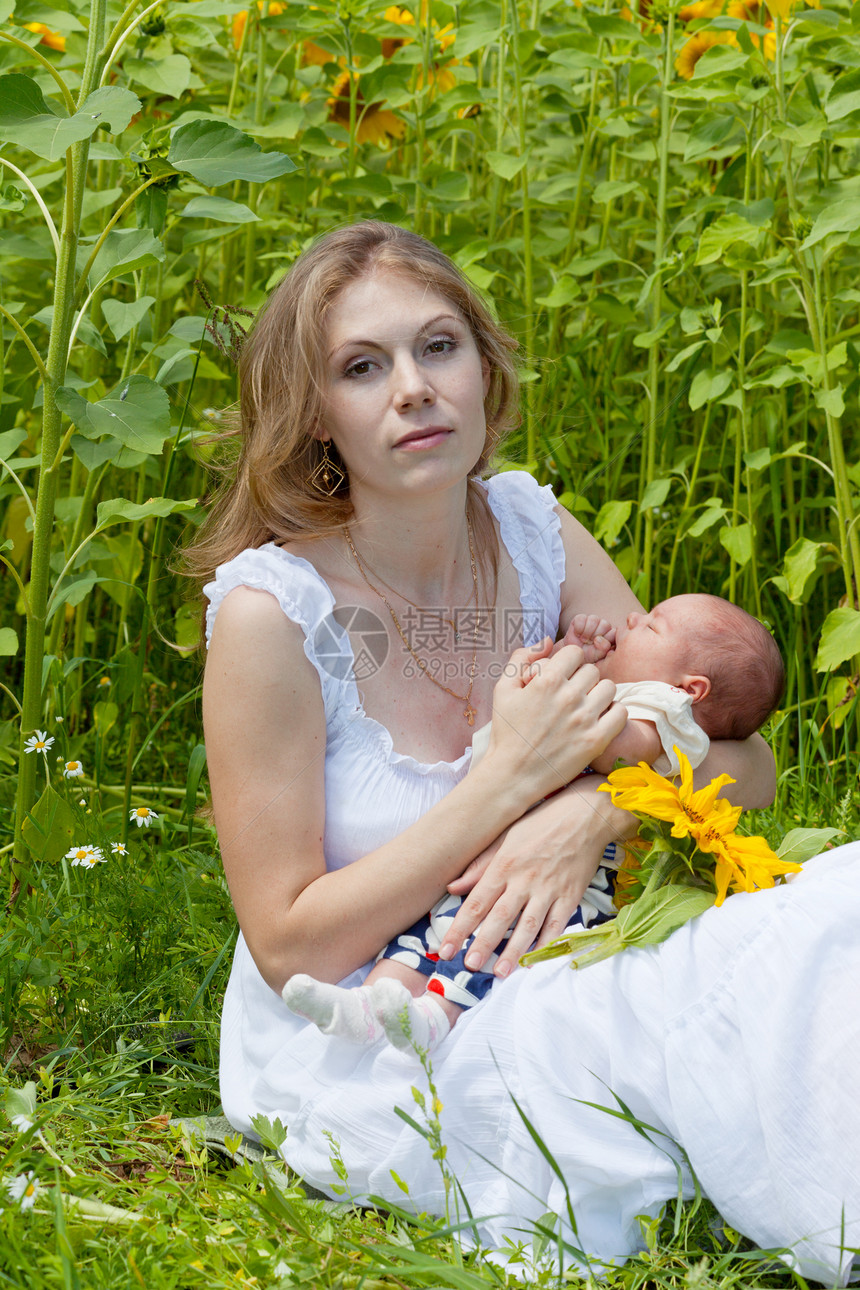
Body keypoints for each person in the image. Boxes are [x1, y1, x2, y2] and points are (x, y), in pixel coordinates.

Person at [193, 221, 860, 1283]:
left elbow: (741, 766)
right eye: (364, 367)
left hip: (567, 953)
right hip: (380, 1030)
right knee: (725, 999)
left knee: (840, 901)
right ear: (314, 415)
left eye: (438, 346)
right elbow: (288, 948)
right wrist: (506, 782)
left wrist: (594, 809)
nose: (414, 388)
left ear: (483, 368)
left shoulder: (532, 530)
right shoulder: (275, 617)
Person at [281, 593, 784, 1052]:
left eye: (651, 626)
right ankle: (372, 1002)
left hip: (569, 880)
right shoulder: (626, 688)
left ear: (690, 688)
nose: (632, 616)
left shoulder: (664, 711)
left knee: (487, 936)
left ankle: (437, 1016)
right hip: (494, 848)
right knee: (425, 927)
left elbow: (621, 752)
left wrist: (558, 712)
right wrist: (561, 663)